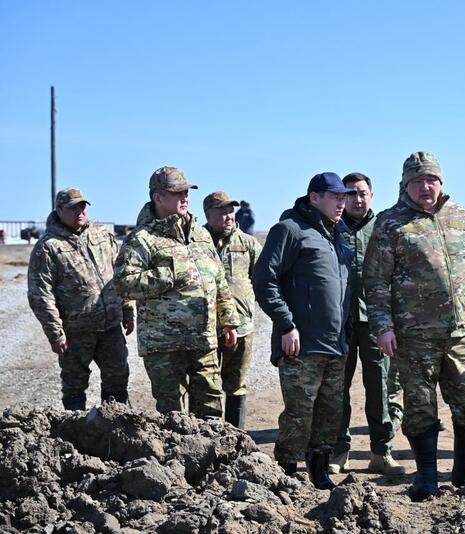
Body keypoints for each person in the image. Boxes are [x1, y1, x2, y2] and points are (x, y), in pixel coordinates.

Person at [363, 151, 465, 501]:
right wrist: (382, 326)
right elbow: (375, 280)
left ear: (441, 182)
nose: (426, 186)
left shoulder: (461, 217)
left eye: (431, 180)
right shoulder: (391, 223)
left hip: (457, 334)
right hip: (413, 335)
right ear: (405, 184)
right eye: (418, 181)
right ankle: (426, 477)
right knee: (421, 406)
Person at [252, 172, 354, 490]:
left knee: (330, 411)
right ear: (314, 198)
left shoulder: (339, 236)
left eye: (344, 197)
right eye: (335, 196)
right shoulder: (290, 230)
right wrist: (286, 324)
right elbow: (263, 279)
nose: (342, 202)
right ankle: (286, 472)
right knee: (299, 413)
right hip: (301, 343)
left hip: (336, 344)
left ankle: (320, 469)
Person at [113, 166, 239, 419]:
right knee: (173, 416)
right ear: (158, 197)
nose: (185, 198)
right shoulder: (142, 239)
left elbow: (219, 280)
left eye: (187, 192)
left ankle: (212, 458)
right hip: (164, 345)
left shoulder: (200, 234)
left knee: (212, 407)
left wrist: (228, 320)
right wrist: (169, 274)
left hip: (204, 338)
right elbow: (124, 284)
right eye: (177, 193)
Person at [28, 187, 133, 410]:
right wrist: (55, 333)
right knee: (74, 387)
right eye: (72, 207)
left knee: (118, 380)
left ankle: (115, 433)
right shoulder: (48, 247)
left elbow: (120, 275)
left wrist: (128, 310)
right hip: (75, 332)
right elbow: (40, 294)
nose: (79, 212)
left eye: (82, 206)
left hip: (111, 327)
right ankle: (75, 437)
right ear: (58, 210)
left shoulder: (102, 236)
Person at [330, 173, 404, 476]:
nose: (356, 200)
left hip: (378, 322)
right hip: (340, 322)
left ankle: (381, 452)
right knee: (337, 389)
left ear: (371, 195)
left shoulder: (384, 228)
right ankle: (339, 451)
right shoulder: (331, 228)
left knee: (380, 388)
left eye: (362, 194)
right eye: (350, 195)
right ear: (341, 198)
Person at [203, 191, 263, 429]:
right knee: (206, 384)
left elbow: (260, 279)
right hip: (205, 327)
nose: (228, 216)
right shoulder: (198, 242)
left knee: (237, 383)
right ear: (208, 214)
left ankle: (236, 436)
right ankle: (208, 437)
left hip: (241, 326)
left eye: (231, 211)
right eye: (222, 211)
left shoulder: (247, 244)